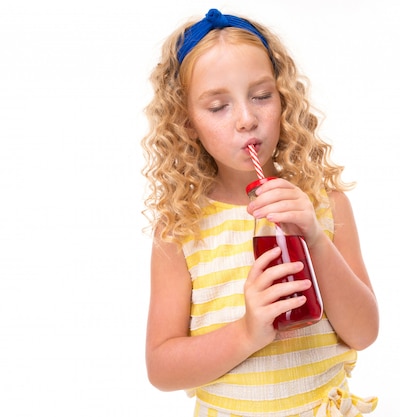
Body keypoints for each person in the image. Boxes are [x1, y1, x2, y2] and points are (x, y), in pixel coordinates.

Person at [141, 8, 379, 417]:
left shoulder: (325, 203)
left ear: (284, 97)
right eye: (218, 106)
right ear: (187, 124)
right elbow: (162, 369)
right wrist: (247, 333)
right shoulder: (180, 229)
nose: (247, 119)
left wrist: (316, 240)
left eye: (262, 96)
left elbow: (364, 331)